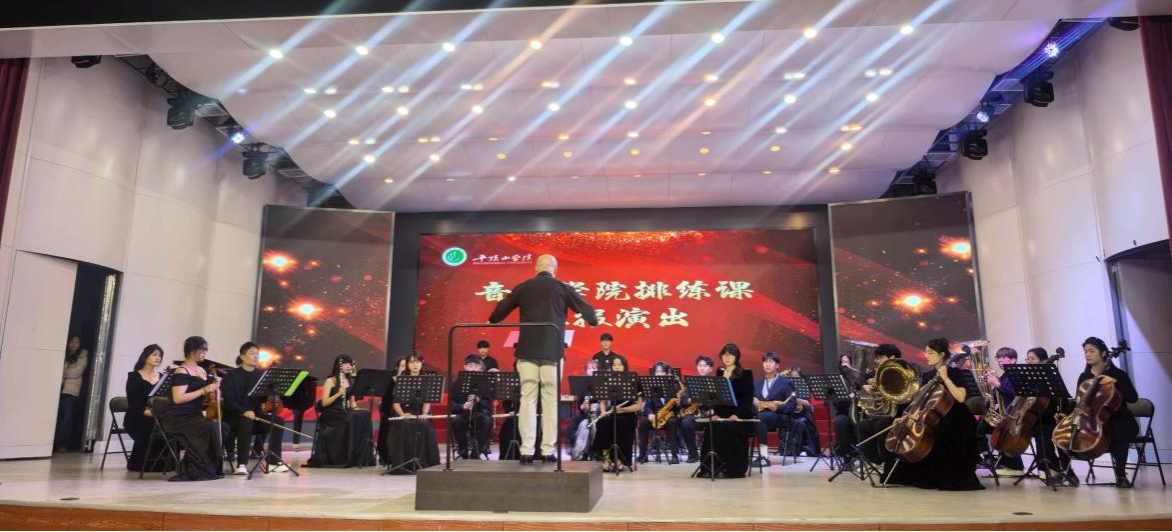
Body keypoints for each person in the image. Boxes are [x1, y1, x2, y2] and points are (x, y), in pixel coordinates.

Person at [488, 254, 598, 465]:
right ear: (555, 269)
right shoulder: (562, 287)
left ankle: (526, 451)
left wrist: (492, 320)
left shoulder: (524, 287)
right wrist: (592, 321)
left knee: (527, 399)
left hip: (527, 351)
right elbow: (586, 308)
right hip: (552, 352)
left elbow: (501, 308)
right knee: (550, 400)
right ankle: (548, 450)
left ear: (536, 268)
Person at [885, 338, 984, 491]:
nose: (926, 356)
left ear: (942, 354)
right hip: (934, 415)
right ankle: (912, 475)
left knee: (944, 430)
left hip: (958, 417)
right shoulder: (928, 375)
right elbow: (921, 403)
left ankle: (943, 476)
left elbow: (960, 398)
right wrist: (907, 416)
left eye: (930, 352)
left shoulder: (956, 373)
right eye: (926, 352)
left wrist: (945, 378)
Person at [1057, 337, 1139, 488]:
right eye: (1085, 352)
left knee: (1118, 431)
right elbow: (1078, 400)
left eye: (1091, 351)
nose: (1087, 354)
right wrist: (1065, 415)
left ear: (1103, 353)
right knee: (1062, 434)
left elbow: (1133, 398)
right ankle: (1068, 473)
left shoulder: (1118, 374)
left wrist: (1115, 382)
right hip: (1089, 419)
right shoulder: (1084, 376)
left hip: (1117, 417)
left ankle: (1121, 475)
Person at [221, 342, 288, 475]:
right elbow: (228, 402)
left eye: (257, 354)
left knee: (278, 421)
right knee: (246, 420)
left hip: (255, 416)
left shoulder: (261, 376)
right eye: (252, 354)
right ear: (242, 357)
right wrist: (243, 411)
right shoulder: (231, 376)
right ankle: (241, 464)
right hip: (234, 417)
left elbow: (262, 399)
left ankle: (274, 462)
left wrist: (271, 395)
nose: (256, 357)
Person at [163, 336, 224, 481]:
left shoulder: (202, 370)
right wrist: (203, 390)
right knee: (207, 428)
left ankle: (211, 467)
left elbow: (207, 395)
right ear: (191, 352)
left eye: (205, 350)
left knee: (223, 427)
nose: (204, 353)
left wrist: (215, 390)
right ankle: (196, 469)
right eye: (202, 350)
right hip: (178, 416)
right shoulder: (182, 371)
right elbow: (178, 398)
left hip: (194, 414)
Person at [696, 344, 755, 479]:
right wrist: (716, 414)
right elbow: (718, 398)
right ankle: (710, 467)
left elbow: (747, 400)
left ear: (737, 357)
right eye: (724, 355)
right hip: (722, 414)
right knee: (713, 426)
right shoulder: (720, 372)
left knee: (729, 427)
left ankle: (733, 468)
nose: (727, 358)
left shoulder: (746, 374)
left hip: (741, 416)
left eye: (730, 355)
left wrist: (737, 415)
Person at [307, 354, 374, 468]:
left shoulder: (350, 381)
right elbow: (324, 403)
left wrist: (358, 410)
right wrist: (338, 394)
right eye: (346, 364)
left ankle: (361, 457)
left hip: (344, 411)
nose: (349, 366)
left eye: (351, 364)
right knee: (350, 418)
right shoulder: (330, 380)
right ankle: (346, 457)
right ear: (339, 365)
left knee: (365, 415)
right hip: (331, 414)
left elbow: (353, 403)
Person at [383, 353, 440, 473]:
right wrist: (403, 414)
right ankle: (404, 463)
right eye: (412, 362)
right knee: (405, 424)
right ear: (408, 364)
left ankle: (423, 461)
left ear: (422, 363)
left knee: (424, 424)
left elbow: (427, 401)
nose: (415, 365)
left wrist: (425, 413)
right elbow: (396, 403)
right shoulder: (401, 379)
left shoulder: (426, 379)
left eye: (418, 362)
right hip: (403, 413)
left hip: (419, 412)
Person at [591, 355, 643, 472]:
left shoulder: (633, 381)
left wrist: (622, 410)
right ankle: (606, 458)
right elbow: (603, 401)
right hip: (612, 413)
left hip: (628, 414)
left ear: (625, 366)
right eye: (614, 365)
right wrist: (603, 411)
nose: (617, 367)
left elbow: (638, 405)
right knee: (602, 423)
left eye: (620, 365)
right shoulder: (608, 380)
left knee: (622, 424)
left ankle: (620, 459)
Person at [857, 344, 902, 465]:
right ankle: (876, 460)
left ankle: (889, 461)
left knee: (881, 425)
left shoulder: (903, 370)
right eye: (877, 358)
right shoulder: (880, 371)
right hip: (884, 413)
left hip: (900, 412)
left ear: (892, 357)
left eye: (880, 357)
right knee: (862, 425)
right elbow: (861, 378)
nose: (877, 361)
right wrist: (865, 385)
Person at [982, 347, 1025, 476]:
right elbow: (995, 396)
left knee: (999, 430)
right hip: (1005, 414)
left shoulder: (1017, 375)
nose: (1000, 360)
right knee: (977, 427)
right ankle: (989, 457)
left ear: (1013, 360)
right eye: (998, 358)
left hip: (1013, 415)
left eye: (1004, 357)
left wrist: (998, 384)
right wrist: (987, 386)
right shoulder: (1004, 376)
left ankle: (1013, 465)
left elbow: (1016, 394)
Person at [124, 344, 167, 472]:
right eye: (154, 355)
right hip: (137, 415)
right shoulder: (134, 376)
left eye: (160, 355)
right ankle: (140, 464)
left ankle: (164, 463)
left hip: (157, 414)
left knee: (170, 425)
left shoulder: (163, 377)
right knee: (148, 426)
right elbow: (132, 401)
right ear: (145, 357)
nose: (158, 358)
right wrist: (145, 411)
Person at [753, 352, 796, 467]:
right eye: (765, 361)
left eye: (770, 361)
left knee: (759, 418)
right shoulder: (757, 383)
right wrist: (753, 400)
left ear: (777, 365)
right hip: (761, 415)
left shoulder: (786, 383)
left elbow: (792, 405)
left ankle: (764, 457)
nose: (767, 364)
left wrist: (778, 407)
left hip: (780, 416)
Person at [449, 355, 494, 459]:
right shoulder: (457, 382)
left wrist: (478, 400)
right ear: (465, 367)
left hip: (479, 413)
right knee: (456, 421)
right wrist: (462, 406)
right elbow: (451, 403)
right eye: (470, 365)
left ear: (480, 367)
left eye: (476, 366)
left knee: (487, 422)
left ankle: (477, 452)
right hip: (463, 414)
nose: (473, 368)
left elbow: (488, 403)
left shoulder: (485, 382)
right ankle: (463, 450)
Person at [638, 362, 681, 465]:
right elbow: (648, 404)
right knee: (643, 423)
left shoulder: (674, 386)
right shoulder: (651, 387)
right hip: (655, 416)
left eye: (662, 371)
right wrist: (650, 414)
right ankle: (643, 455)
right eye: (657, 371)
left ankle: (674, 455)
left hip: (669, 416)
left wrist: (678, 403)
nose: (659, 374)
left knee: (671, 423)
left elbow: (677, 408)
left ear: (666, 373)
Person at [55, 336, 89, 453]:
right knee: (57, 417)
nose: (73, 344)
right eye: (71, 341)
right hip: (57, 389)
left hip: (70, 391)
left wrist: (61, 373)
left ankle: (62, 445)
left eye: (77, 342)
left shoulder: (82, 355)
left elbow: (76, 372)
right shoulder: (62, 353)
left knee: (66, 419)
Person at [680, 355, 714, 463]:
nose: (702, 368)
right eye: (699, 366)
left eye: (705, 366)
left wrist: (713, 410)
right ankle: (693, 454)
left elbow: (721, 400)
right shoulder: (691, 382)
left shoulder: (715, 382)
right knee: (685, 423)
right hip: (695, 414)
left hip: (710, 414)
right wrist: (691, 400)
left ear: (710, 369)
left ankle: (712, 453)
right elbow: (683, 400)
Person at [566, 359, 600, 458]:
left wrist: (593, 408)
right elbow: (580, 404)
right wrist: (582, 406)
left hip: (598, 413)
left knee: (592, 426)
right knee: (573, 423)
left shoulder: (601, 384)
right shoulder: (583, 384)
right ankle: (577, 450)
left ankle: (594, 451)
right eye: (589, 368)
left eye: (594, 368)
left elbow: (604, 404)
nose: (591, 370)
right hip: (585, 413)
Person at [378, 356, 408, 464]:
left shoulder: (410, 381)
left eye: (406, 366)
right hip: (389, 410)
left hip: (405, 409)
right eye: (402, 366)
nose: (404, 369)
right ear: (397, 367)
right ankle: (387, 456)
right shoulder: (390, 380)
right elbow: (386, 400)